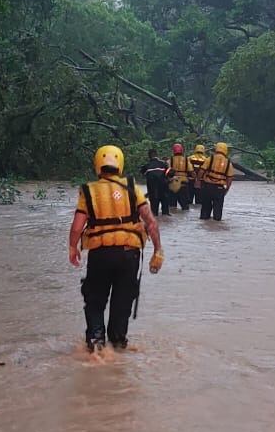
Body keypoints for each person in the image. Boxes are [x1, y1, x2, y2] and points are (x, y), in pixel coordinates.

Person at [69, 145, 164, 353]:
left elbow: (77, 226)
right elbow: (150, 222)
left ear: (98, 165)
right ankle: (118, 344)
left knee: (95, 299)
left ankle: (96, 342)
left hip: (100, 254)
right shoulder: (132, 187)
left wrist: (72, 248)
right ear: (120, 164)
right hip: (129, 254)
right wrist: (158, 250)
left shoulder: (88, 190)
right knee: (122, 303)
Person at [198, 141, 233, 221]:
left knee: (205, 209)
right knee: (218, 211)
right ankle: (216, 224)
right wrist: (227, 188)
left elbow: (201, 171)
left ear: (216, 149)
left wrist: (198, 180)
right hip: (219, 188)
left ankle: (205, 221)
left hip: (207, 186)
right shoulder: (228, 163)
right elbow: (229, 178)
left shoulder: (210, 159)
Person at [139, 149, 171, 216]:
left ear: (149, 156)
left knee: (154, 213)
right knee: (165, 213)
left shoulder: (146, 166)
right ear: (157, 155)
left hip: (153, 192)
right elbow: (170, 174)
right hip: (164, 191)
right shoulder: (164, 164)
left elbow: (142, 173)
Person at [168, 143, 192, 211]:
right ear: (182, 150)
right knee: (185, 207)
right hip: (183, 184)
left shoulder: (170, 160)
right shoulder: (186, 160)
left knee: (172, 206)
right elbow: (191, 171)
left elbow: (166, 172)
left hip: (173, 184)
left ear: (173, 151)